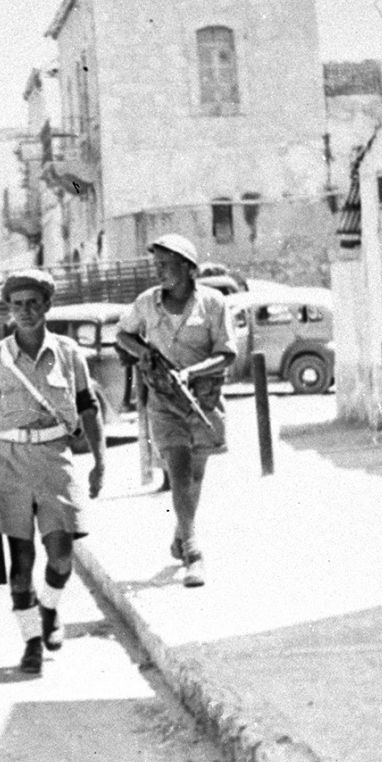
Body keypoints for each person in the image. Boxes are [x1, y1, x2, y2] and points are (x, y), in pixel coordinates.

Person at [0, 269, 105, 674]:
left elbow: (88, 408)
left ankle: (48, 608)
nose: (25, 312)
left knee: (62, 554)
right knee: (21, 560)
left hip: (53, 460)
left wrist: (100, 460)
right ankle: (30, 642)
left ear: (46, 306)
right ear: (8, 311)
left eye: (33, 303)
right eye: (17, 305)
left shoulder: (68, 353)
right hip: (8, 461)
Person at [117, 234, 236, 588]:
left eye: (166, 265)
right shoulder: (146, 303)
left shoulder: (213, 303)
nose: (160, 273)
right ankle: (194, 553)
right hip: (165, 401)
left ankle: (181, 534)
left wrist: (193, 372)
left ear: (188, 267)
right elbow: (123, 336)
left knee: (196, 476)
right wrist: (143, 353)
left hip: (204, 399)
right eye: (157, 266)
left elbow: (227, 353)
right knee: (179, 472)